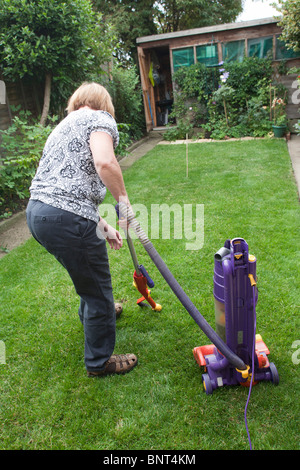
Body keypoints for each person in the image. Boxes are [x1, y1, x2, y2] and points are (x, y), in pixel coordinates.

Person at [26, 82, 137, 377]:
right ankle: (100, 361)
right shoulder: (100, 118)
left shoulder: (63, 125)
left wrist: (102, 225)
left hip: (38, 213)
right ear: (104, 103)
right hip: (66, 216)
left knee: (85, 274)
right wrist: (123, 200)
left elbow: (67, 184)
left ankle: (95, 317)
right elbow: (104, 161)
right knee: (99, 291)